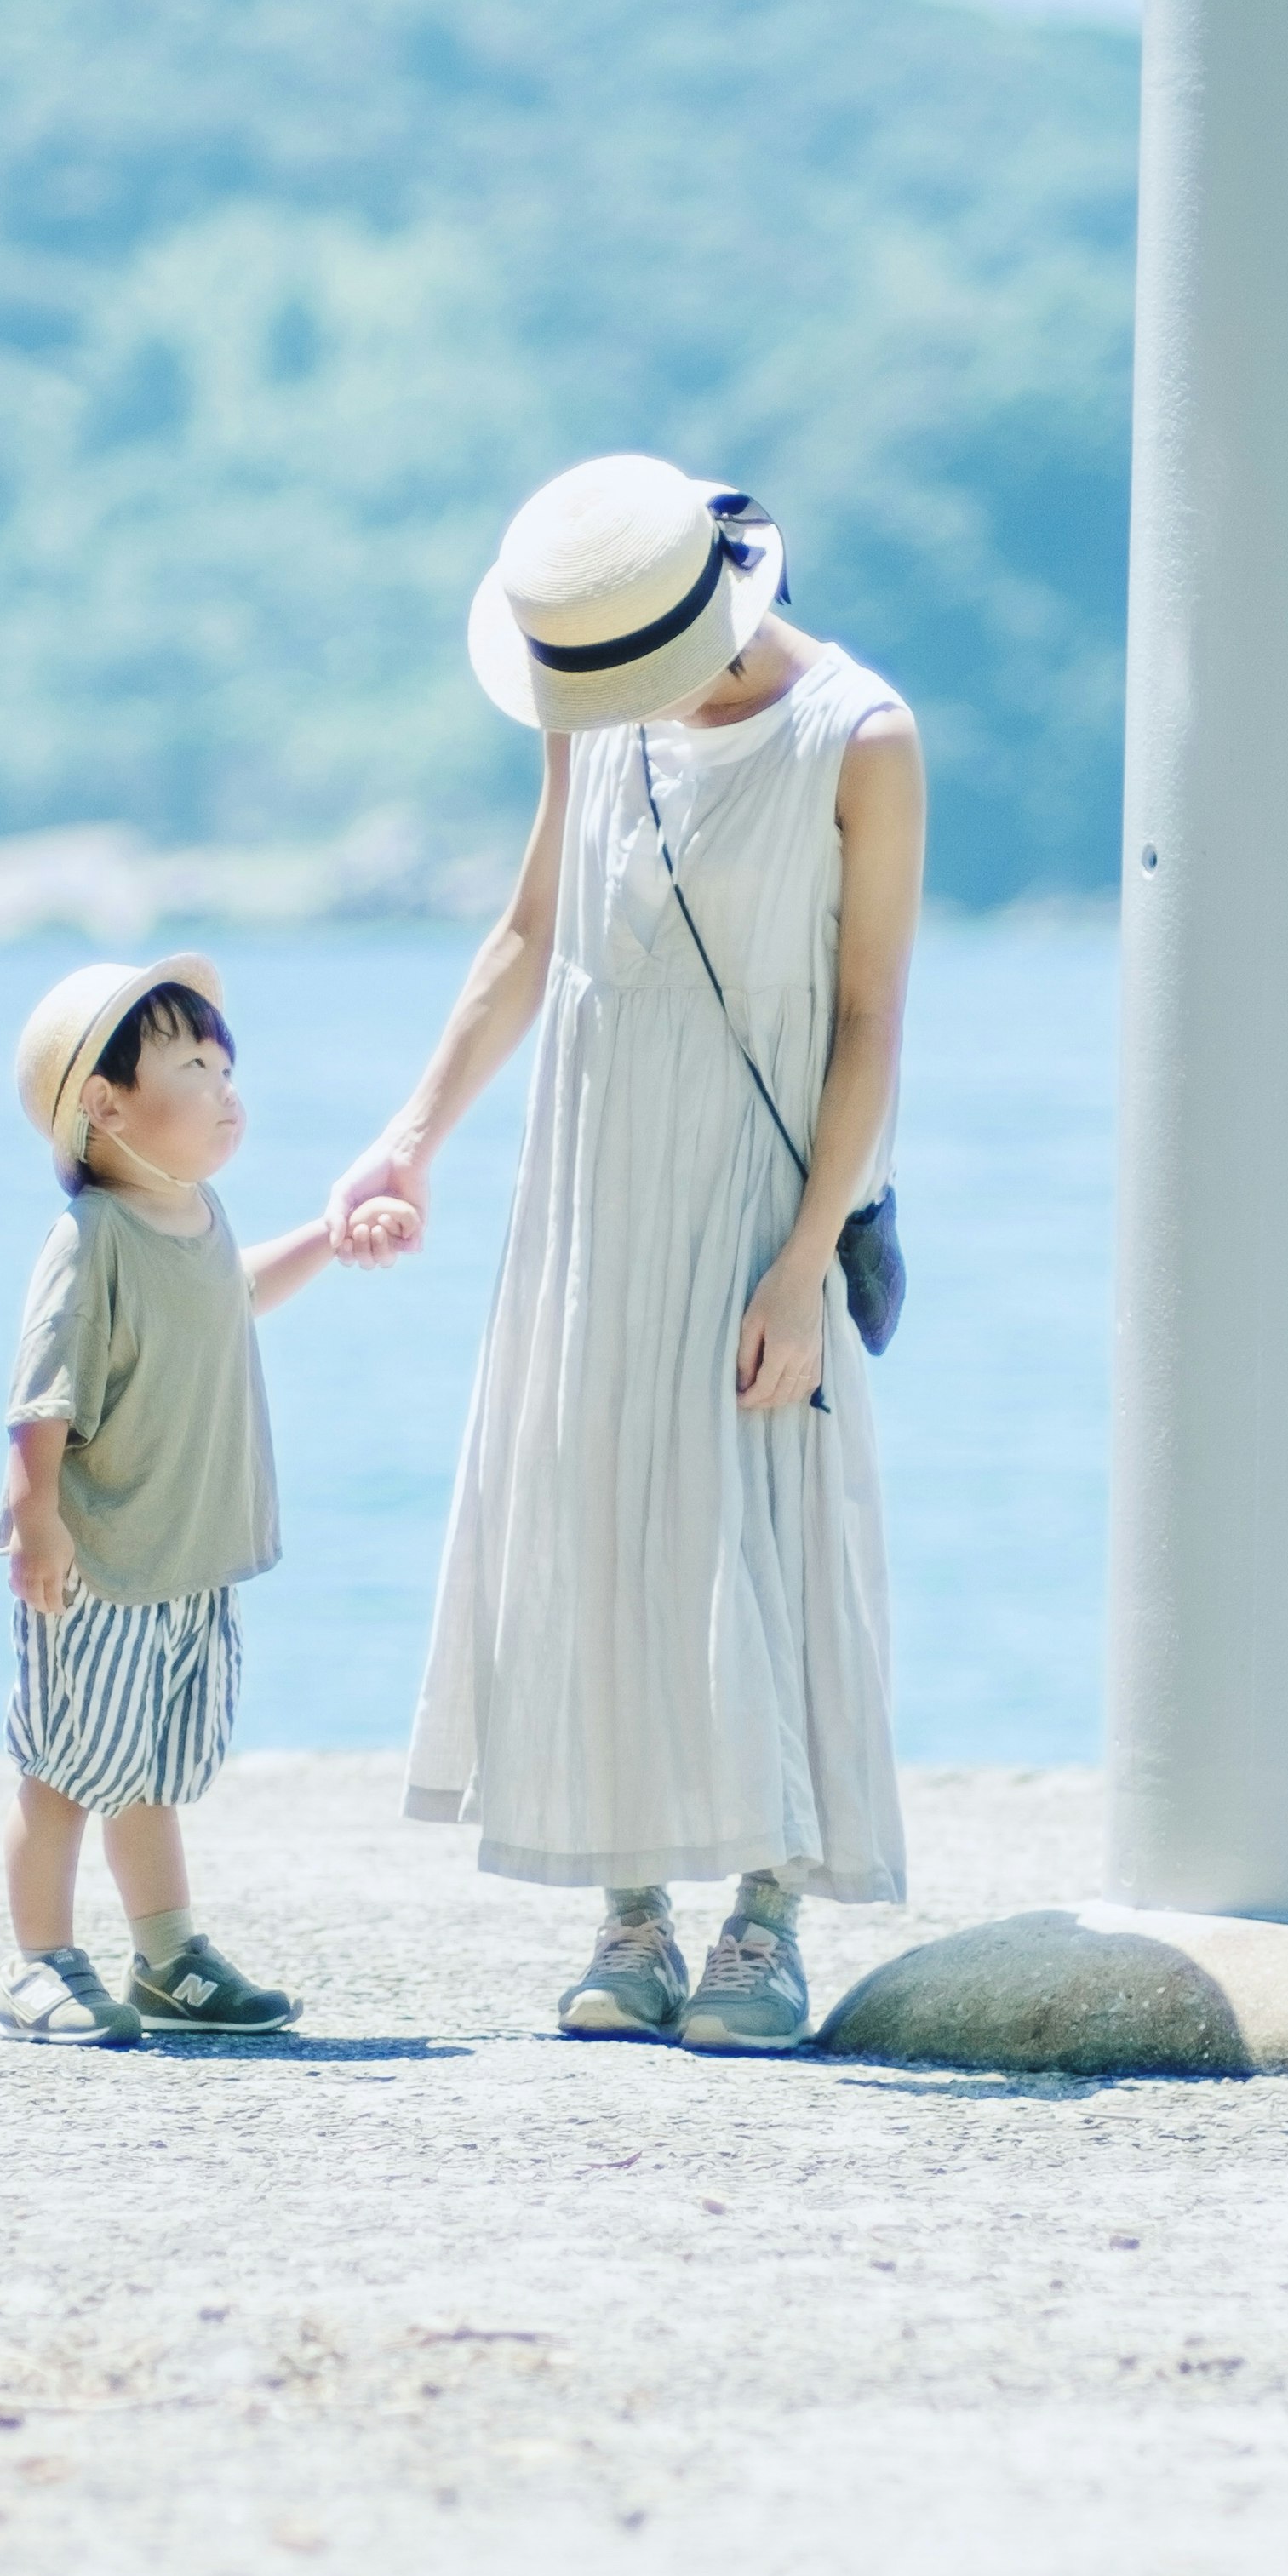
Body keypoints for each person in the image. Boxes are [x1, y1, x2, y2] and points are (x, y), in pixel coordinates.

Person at [328, 452, 923, 2049]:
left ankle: (768, 1921)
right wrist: (414, 1131)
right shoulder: (589, 711)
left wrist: (801, 1270)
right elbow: (533, 931)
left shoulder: (859, 739)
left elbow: (869, 1024)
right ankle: (633, 1912)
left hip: (752, 1185)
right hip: (590, 1173)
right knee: (597, 1514)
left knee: (761, 1518)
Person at [0, 953, 336, 2046]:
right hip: (98, 1557)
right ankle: (40, 1963)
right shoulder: (90, 1240)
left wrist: (330, 1236)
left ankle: (168, 1956)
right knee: (64, 1769)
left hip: (190, 1554)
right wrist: (35, 1517)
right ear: (104, 1105)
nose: (226, 1086)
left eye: (227, 1063)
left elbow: (232, 1305)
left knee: (151, 1769)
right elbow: (38, 1393)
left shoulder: (202, 1215)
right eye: (192, 1063)